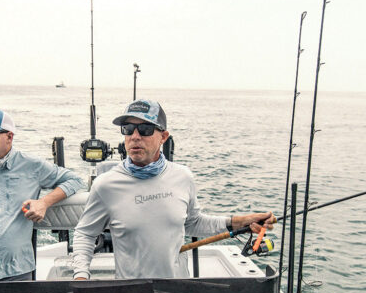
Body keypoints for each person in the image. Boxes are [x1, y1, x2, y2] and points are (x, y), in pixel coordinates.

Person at [71, 99, 275, 280]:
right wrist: (81, 276)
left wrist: (239, 222)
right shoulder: (106, 184)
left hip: (178, 291)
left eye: (145, 129)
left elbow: (193, 223)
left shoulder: (183, 176)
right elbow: (85, 234)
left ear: (164, 136)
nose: (135, 136)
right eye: (128, 129)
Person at [0, 108, 84, 281]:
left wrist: (44, 202)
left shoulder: (32, 165)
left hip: (18, 272)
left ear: (9, 137)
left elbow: (75, 180)